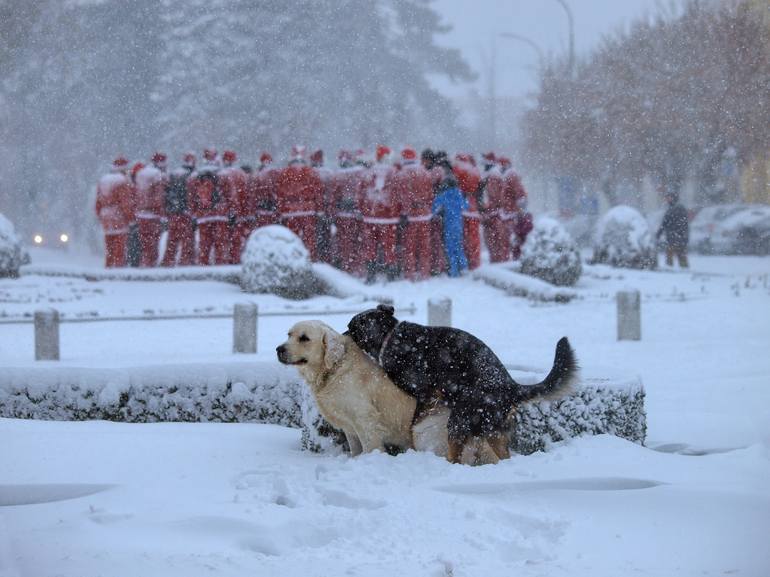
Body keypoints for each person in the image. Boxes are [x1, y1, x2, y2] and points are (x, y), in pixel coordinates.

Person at [360, 145, 400, 282]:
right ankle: (391, 274)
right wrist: (399, 211)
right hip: (389, 218)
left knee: (370, 246)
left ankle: (371, 275)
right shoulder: (394, 173)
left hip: (370, 217)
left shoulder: (367, 173)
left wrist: (363, 210)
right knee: (389, 247)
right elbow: (400, 194)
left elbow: (360, 194)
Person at [276, 145, 324, 260]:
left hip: (289, 211)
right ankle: (309, 261)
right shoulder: (311, 172)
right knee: (309, 239)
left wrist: (280, 211)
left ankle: (292, 260)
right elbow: (318, 192)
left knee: (291, 239)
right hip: (308, 210)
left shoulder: (284, 173)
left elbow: (279, 194)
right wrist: (319, 209)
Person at [189, 148, 230, 265]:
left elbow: (191, 197)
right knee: (220, 244)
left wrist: (194, 213)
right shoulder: (223, 174)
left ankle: (203, 267)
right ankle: (220, 267)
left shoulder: (196, 175)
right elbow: (229, 194)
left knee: (204, 244)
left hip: (203, 215)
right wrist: (230, 211)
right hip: (220, 214)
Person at [95, 156, 135, 267]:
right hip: (118, 216)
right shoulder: (122, 181)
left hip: (105, 216)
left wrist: (100, 215)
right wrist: (131, 218)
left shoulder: (103, 180)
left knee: (109, 247)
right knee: (119, 248)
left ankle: (108, 267)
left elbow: (98, 202)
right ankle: (118, 270)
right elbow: (125, 203)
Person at [161, 152, 196, 267]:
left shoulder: (173, 174)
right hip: (185, 213)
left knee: (172, 240)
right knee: (187, 241)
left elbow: (166, 193)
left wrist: (168, 209)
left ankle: (167, 261)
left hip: (173, 213)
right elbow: (192, 195)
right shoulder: (192, 175)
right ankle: (185, 263)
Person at [134, 152, 168, 267]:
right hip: (153, 215)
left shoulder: (140, 173)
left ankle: (143, 263)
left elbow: (135, 193)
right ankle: (150, 266)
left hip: (140, 214)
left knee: (144, 243)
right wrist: (162, 212)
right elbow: (159, 197)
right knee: (153, 243)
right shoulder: (157, 174)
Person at [432, 173, 469, 277]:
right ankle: (464, 268)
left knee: (450, 248)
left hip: (448, 224)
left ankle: (454, 272)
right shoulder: (459, 194)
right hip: (459, 224)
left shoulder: (444, 195)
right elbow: (466, 206)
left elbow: (434, 208)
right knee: (459, 247)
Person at [452, 153, 482, 269]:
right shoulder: (476, 171)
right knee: (474, 237)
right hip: (474, 208)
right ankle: (475, 262)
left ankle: (464, 262)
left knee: (463, 237)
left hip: (462, 208)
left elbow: (455, 187)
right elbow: (480, 188)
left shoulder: (458, 170)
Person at [219, 150, 249, 263]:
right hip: (240, 213)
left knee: (222, 239)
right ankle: (235, 260)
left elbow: (227, 195)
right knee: (236, 240)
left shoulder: (221, 174)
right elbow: (247, 194)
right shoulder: (242, 174)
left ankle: (224, 261)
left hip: (224, 213)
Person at [657, 192, 690, 268]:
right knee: (677, 253)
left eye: (669, 198)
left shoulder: (676, 209)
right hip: (676, 236)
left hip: (677, 235)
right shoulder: (673, 208)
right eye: (667, 198)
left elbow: (666, 222)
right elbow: (665, 223)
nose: (667, 200)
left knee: (675, 253)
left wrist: (660, 232)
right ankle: (680, 268)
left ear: (673, 198)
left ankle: (674, 269)